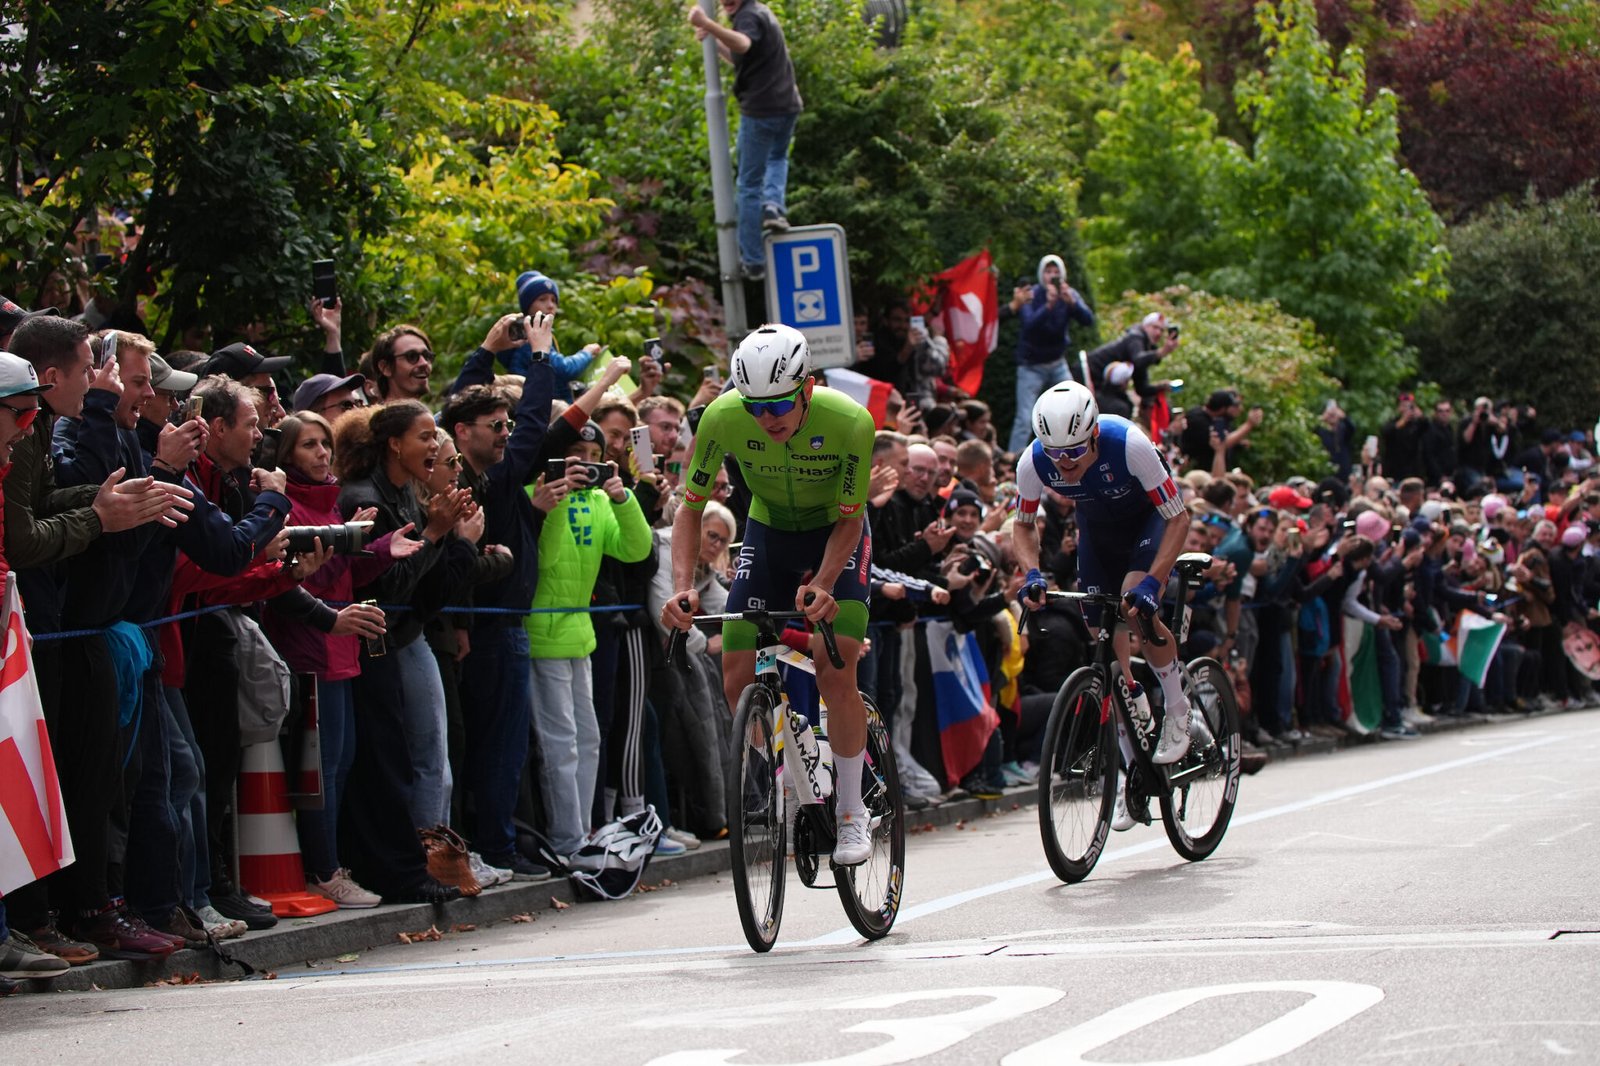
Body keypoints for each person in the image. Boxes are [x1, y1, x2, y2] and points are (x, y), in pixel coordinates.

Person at [661, 323, 878, 865]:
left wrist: (825, 585)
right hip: (768, 530)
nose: (768, 418)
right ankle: (791, 767)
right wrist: (682, 588)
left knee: (834, 669)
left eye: (779, 403)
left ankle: (852, 813)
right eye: (755, 407)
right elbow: (689, 508)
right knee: (736, 674)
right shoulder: (721, 417)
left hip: (836, 530)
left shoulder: (851, 421)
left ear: (806, 388)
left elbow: (852, 522)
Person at [1011, 382, 1198, 832]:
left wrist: (1154, 580)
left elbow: (1179, 517)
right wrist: (1032, 574)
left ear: (1094, 432)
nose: (1066, 462)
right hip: (1098, 534)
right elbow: (1022, 526)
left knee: (1136, 606)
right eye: (1056, 453)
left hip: (1149, 525)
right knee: (1105, 653)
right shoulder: (1033, 461)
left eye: (1074, 450)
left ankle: (1177, 709)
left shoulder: (1129, 444)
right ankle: (1129, 768)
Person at [688, 0, 803, 281]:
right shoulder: (761, 12)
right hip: (787, 106)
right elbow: (743, 56)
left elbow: (743, 45)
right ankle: (774, 206)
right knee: (777, 158)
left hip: (762, 110)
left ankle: (752, 261)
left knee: (748, 184)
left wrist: (707, 23)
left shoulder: (749, 15)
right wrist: (714, 40)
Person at [1008, 255, 1096, 452]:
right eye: (1048, 272)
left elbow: (1088, 320)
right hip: (1031, 365)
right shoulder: (1032, 295)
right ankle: (1012, 462)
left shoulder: (1068, 293)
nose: (1052, 276)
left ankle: (1081, 450)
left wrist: (1072, 303)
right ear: (1042, 274)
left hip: (1057, 362)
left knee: (1075, 406)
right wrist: (1048, 306)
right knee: (1024, 417)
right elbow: (1029, 326)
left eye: (1056, 272)